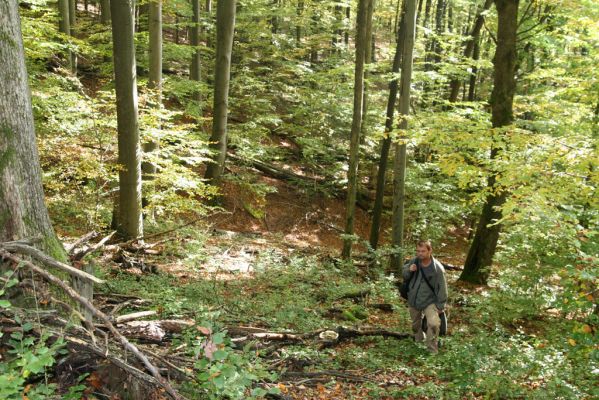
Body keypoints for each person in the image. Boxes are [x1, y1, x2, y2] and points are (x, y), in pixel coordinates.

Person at [402, 240, 447, 354]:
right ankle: (418, 340)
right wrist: (409, 270)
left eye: (423, 251)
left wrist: (441, 305)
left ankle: (432, 349)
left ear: (430, 251)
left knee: (433, 324)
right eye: (418, 251)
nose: (420, 253)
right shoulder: (414, 261)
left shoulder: (437, 268)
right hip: (414, 298)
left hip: (430, 301)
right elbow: (404, 275)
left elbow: (442, 287)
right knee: (415, 325)